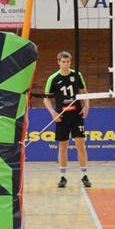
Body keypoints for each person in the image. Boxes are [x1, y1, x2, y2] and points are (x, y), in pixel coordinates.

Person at [43, 51, 91, 189]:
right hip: (62, 116)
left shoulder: (77, 74)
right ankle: (63, 177)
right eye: (63, 62)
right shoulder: (53, 78)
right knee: (63, 146)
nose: (65, 64)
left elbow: (84, 92)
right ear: (58, 62)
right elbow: (46, 98)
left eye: (68, 62)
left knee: (80, 145)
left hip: (77, 115)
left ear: (70, 62)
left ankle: (84, 175)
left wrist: (86, 106)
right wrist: (53, 112)